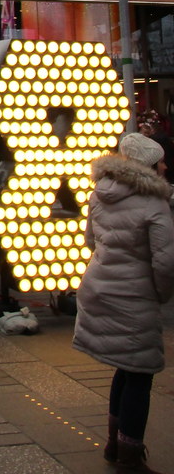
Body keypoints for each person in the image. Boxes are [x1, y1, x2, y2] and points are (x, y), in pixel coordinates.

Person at [73, 133, 174, 473]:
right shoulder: (155, 203)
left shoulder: (99, 193)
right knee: (141, 372)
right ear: (148, 166)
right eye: (160, 161)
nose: (165, 166)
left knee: (124, 366)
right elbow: (165, 263)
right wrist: (161, 294)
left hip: (100, 288)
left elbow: (90, 241)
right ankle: (130, 455)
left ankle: (114, 443)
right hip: (134, 295)